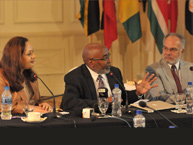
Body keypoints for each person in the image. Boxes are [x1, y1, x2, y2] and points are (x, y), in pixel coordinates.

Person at [60, 43, 158, 112]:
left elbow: (122, 98)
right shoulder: (75, 77)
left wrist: (137, 93)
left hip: (116, 118)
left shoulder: (114, 72)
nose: (109, 60)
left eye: (109, 56)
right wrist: (103, 102)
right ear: (91, 62)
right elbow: (69, 102)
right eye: (105, 58)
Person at [0, 36, 51, 114]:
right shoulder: (2, 77)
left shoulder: (31, 77)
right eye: (29, 54)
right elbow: (3, 105)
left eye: (32, 52)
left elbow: (36, 102)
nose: (34, 56)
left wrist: (42, 105)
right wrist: (31, 108)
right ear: (16, 57)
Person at [145, 33, 193, 103]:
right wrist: (185, 98)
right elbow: (159, 96)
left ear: (182, 51)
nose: (168, 53)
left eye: (173, 49)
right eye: (165, 48)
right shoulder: (153, 69)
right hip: (167, 111)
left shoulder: (191, 67)